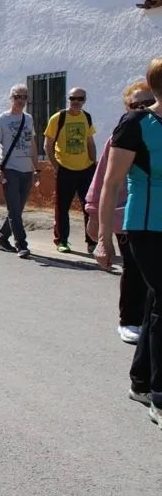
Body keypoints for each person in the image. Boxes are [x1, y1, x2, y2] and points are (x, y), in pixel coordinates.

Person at [95, 58, 162, 426]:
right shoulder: (136, 124)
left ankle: (140, 381)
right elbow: (110, 183)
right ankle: (159, 394)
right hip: (145, 226)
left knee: (156, 304)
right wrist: (103, 238)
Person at [86, 81, 153, 344]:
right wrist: (95, 218)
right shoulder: (121, 137)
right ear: (128, 108)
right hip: (126, 215)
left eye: (149, 103)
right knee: (135, 268)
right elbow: (104, 179)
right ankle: (130, 320)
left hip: (155, 214)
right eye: (138, 105)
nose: (144, 109)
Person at [45, 87, 98, 253]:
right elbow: (47, 145)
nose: (76, 101)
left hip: (86, 169)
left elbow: (90, 142)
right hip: (65, 169)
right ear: (68, 99)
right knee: (62, 208)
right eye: (72, 98)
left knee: (89, 207)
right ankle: (62, 241)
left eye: (80, 98)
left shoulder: (86, 117)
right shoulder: (58, 118)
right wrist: (56, 166)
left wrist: (93, 163)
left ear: (84, 100)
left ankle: (92, 241)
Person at [0, 83, 40, 258]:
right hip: (10, 169)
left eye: (24, 97)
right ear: (11, 98)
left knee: (17, 209)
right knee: (14, 209)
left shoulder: (28, 119)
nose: (20, 100)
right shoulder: (1, 120)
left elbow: (32, 144)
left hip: (27, 170)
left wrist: (37, 169)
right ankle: (21, 245)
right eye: (17, 97)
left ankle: (2, 237)